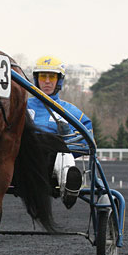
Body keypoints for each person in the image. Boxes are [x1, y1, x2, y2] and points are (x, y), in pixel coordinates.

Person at [27, 55, 93, 209]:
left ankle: (69, 186)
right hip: (24, 161)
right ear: (36, 79)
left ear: (59, 81)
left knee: (64, 154)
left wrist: (68, 132)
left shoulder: (70, 111)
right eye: (43, 76)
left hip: (53, 164)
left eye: (52, 77)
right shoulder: (21, 107)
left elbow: (88, 141)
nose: (47, 81)